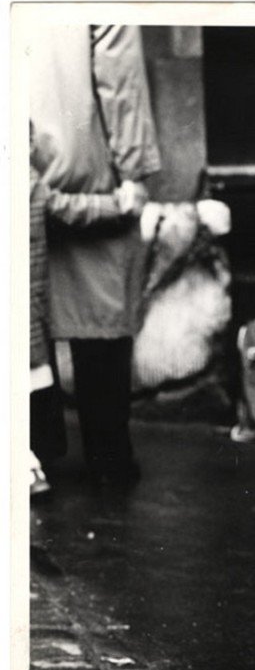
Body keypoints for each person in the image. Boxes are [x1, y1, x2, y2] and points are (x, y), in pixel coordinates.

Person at [29, 25, 161, 485]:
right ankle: (108, 458)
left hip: (21, 169)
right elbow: (118, 78)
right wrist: (134, 171)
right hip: (89, 173)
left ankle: (35, 454)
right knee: (100, 311)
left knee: (23, 315)